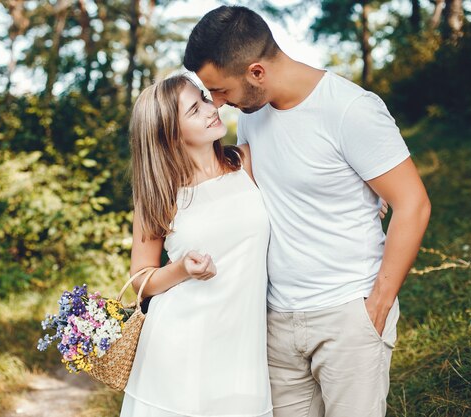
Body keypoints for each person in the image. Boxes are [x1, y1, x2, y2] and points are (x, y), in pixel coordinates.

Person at [183, 6, 431, 417]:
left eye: (222, 91)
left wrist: (378, 306)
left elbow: (414, 204)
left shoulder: (350, 109)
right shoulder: (252, 115)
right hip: (276, 321)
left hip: (348, 314)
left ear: (256, 72)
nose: (219, 104)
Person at [122, 74, 274, 416]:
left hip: (243, 348)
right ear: (171, 134)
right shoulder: (160, 195)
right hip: (179, 349)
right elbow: (140, 281)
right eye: (195, 109)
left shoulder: (246, 162)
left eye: (205, 99)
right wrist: (181, 268)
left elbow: (309, 180)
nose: (211, 109)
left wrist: (363, 196)